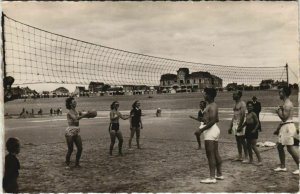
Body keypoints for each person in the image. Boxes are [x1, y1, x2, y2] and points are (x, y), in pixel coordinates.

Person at [196, 88, 223, 184]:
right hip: (213, 129)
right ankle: (219, 174)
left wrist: (201, 130)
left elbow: (214, 120)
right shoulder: (212, 106)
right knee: (215, 153)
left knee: (210, 155)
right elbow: (216, 119)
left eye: (205, 93)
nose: (204, 94)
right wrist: (204, 120)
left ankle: (212, 177)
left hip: (210, 131)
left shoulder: (212, 106)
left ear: (209, 95)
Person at [273, 86, 299, 174]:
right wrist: (278, 129)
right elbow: (284, 120)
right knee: (280, 147)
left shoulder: (287, 104)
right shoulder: (285, 103)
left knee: (290, 148)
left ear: (284, 93)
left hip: (288, 127)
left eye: (280, 92)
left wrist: (278, 111)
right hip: (285, 127)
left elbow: (284, 118)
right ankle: (283, 166)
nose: (279, 93)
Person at [65, 97, 90, 168]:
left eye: (75, 102)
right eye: (73, 102)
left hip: (76, 131)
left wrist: (89, 114)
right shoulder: (69, 112)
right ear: (70, 104)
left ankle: (77, 163)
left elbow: (84, 115)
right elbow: (76, 119)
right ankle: (67, 164)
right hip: (70, 131)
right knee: (70, 149)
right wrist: (85, 115)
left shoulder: (77, 111)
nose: (75, 103)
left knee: (80, 148)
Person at [239, 101, 262, 165]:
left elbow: (258, 123)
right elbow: (246, 122)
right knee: (248, 145)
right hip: (248, 129)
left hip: (253, 129)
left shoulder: (253, 114)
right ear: (247, 107)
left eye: (251, 106)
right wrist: (241, 127)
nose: (249, 107)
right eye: (248, 106)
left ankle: (260, 161)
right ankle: (251, 159)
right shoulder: (247, 114)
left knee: (253, 146)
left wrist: (255, 129)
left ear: (253, 107)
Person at [228, 90, 248, 162]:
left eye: (234, 94)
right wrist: (230, 126)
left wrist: (240, 126)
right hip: (235, 123)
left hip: (240, 122)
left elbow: (243, 116)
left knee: (242, 140)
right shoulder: (235, 104)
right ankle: (240, 156)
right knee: (237, 140)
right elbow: (234, 115)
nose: (233, 95)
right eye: (233, 94)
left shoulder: (242, 103)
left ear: (239, 95)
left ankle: (246, 156)